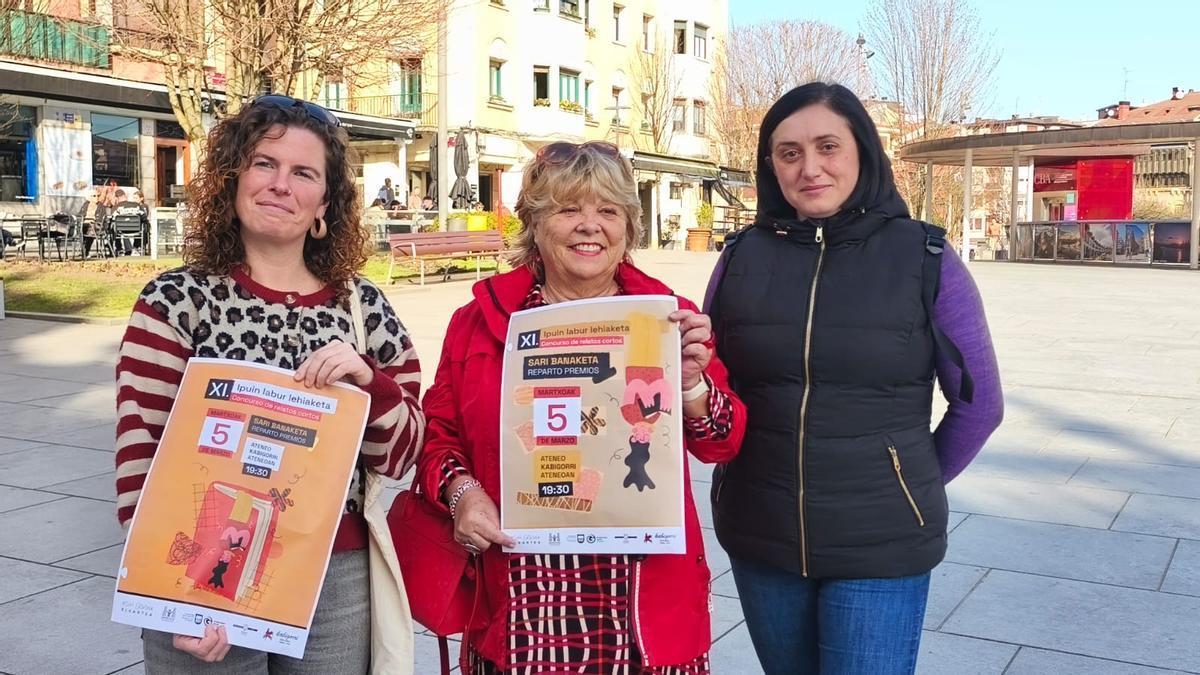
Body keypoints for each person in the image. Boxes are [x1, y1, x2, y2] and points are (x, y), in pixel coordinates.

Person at [115, 94, 425, 672]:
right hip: (203, 570)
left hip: (333, 576)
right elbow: (142, 459)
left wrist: (372, 386)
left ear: (324, 203)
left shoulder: (365, 309)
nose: (281, 184)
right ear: (233, 181)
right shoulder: (175, 303)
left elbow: (405, 454)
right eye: (264, 164)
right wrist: (178, 591)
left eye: (303, 173)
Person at [704, 81, 1004, 675]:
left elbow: (980, 404)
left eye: (827, 146)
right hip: (761, 535)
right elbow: (711, 388)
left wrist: (905, 483)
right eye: (788, 153)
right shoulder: (741, 258)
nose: (809, 167)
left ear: (862, 150)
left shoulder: (926, 258)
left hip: (881, 545)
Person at [414, 141, 747, 673]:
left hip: (639, 601)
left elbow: (722, 441)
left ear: (628, 228)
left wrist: (690, 386)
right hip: (522, 601)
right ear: (536, 225)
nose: (589, 225)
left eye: (608, 211)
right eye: (569, 209)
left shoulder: (670, 318)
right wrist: (463, 493)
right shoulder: (476, 321)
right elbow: (439, 435)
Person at [110, 189, 151, 255]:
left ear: (117, 198)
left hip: (121, 230)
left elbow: (112, 219)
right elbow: (144, 217)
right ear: (125, 196)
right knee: (143, 224)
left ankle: (119, 248)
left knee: (113, 227)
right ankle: (137, 248)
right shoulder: (136, 205)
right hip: (136, 229)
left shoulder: (115, 207)